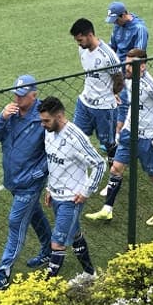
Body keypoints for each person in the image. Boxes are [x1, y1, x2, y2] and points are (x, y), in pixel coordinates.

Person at [86, 49, 153, 226]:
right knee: (116, 169)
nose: (126, 67)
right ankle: (107, 210)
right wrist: (122, 130)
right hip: (129, 134)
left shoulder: (151, 85)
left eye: (129, 64)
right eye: (126, 63)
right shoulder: (129, 81)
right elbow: (133, 107)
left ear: (141, 66)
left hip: (148, 138)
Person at [0, 75, 52, 290]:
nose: (18, 98)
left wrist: (37, 175)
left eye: (22, 95)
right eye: (16, 94)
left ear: (34, 95)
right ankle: (50, 250)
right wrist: (1, 118)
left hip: (30, 182)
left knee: (16, 222)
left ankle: (3, 273)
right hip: (13, 179)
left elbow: (53, 151)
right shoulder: (10, 113)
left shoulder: (43, 117)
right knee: (34, 214)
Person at [38, 96, 106, 281]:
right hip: (56, 196)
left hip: (71, 200)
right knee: (75, 234)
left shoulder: (76, 138)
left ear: (59, 116)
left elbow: (100, 164)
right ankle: (90, 273)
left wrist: (86, 191)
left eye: (46, 120)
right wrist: (50, 188)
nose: (43, 125)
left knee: (57, 243)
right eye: (42, 121)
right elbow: (54, 163)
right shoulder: (49, 132)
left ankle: (46, 288)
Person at [69, 18, 124, 165]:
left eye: (80, 39)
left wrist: (112, 94)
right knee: (75, 137)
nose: (78, 43)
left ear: (89, 35)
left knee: (108, 143)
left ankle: (115, 171)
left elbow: (119, 80)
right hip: (84, 103)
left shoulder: (108, 56)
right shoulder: (82, 50)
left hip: (104, 108)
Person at [105, 1, 149, 172]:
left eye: (116, 19)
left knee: (123, 109)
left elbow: (139, 56)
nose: (115, 23)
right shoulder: (117, 27)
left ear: (124, 15)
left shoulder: (139, 29)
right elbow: (113, 48)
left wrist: (125, 74)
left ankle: (120, 145)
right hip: (118, 74)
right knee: (116, 107)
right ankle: (118, 141)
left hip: (130, 75)